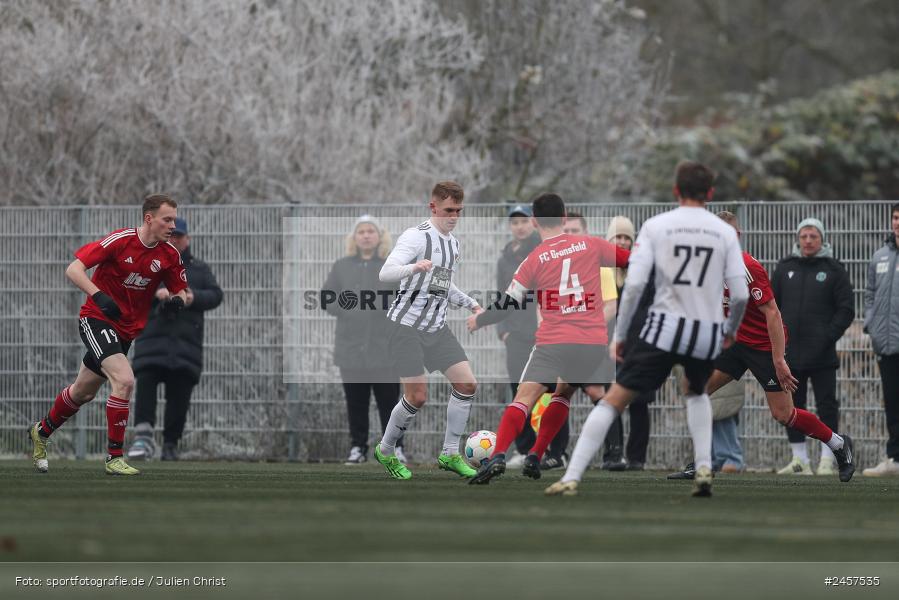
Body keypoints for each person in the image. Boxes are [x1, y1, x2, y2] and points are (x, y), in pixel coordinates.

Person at [545, 161, 748, 498]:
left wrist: (621, 336)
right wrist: (729, 330)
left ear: (675, 190)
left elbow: (635, 286)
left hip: (664, 328)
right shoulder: (725, 232)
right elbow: (739, 293)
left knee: (614, 399)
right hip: (706, 332)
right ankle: (703, 466)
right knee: (696, 390)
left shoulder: (656, 227)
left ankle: (572, 476)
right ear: (710, 193)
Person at [668, 211, 855, 482]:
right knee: (696, 389)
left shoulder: (747, 266)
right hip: (734, 343)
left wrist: (779, 358)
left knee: (784, 415)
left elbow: (773, 314)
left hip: (763, 346)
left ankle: (838, 444)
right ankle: (701, 462)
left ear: (737, 237)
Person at [466, 193, 630, 484]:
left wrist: (480, 319)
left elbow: (509, 302)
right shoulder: (592, 245)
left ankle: (498, 455)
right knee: (563, 393)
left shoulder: (534, 259)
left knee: (523, 399)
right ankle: (535, 456)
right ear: (565, 218)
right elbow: (631, 260)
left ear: (534, 222)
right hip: (592, 344)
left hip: (554, 342)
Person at [28, 194, 188, 475]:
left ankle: (41, 431)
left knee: (83, 392)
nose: (172, 225)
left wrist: (177, 301)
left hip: (126, 331)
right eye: (167, 219)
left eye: (174, 219)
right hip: (97, 319)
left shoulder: (169, 254)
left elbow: (182, 291)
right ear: (149, 219)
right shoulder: (121, 240)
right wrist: (99, 296)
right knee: (125, 380)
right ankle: (114, 457)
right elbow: (74, 269)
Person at [373, 181, 483, 480]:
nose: (454, 216)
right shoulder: (416, 237)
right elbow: (385, 273)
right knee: (418, 396)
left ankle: (449, 453)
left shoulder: (453, 244)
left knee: (467, 384)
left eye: (459, 211)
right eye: (448, 210)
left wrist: (472, 304)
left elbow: (441, 285)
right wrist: (413, 268)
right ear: (433, 207)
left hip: (435, 327)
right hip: (405, 326)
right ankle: (385, 450)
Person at [127, 218, 224, 461]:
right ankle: (143, 438)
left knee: (179, 397)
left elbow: (216, 295)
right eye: (171, 236)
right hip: (152, 341)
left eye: (178, 236)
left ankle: (171, 444)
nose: (174, 240)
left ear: (187, 239)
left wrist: (192, 298)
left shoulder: (200, 270)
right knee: (146, 386)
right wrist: (157, 294)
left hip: (185, 345)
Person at [320, 215, 405, 465]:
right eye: (361, 231)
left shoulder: (392, 265)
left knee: (390, 404)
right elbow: (327, 297)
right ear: (354, 238)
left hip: (385, 349)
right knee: (355, 404)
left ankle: (395, 448)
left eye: (371, 231)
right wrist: (346, 309)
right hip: (351, 349)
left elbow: (404, 299)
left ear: (380, 237)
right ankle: (358, 448)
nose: (366, 235)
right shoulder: (341, 266)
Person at [771, 217, 854, 475]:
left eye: (813, 236)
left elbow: (846, 309)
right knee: (793, 405)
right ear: (798, 238)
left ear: (822, 239)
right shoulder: (785, 268)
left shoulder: (834, 269)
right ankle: (800, 460)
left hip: (823, 354)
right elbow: (772, 308)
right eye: (804, 236)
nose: (808, 241)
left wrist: (827, 336)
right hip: (790, 354)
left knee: (826, 404)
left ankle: (828, 459)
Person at [548, 211, 619, 471]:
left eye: (575, 231)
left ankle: (614, 454)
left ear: (586, 234)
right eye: (567, 231)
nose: (570, 236)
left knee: (597, 392)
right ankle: (557, 453)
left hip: (593, 342)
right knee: (558, 392)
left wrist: (587, 328)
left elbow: (611, 306)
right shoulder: (556, 266)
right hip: (564, 342)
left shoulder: (600, 267)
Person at [495, 204, 541, 469]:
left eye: (524, 221)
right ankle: (524, 449)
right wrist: (503, 330)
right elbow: (502, 295)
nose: (519, 226)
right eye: (515, 222)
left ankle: (551, 449)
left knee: (549, 392)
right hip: (516, 336)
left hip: (542, 333)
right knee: (518, 391)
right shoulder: (505, 258)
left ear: (533, 223)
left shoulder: (541, 251)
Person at [862, 202, 899, 477]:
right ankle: (894, 459)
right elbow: (870, 295)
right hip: (886, 345)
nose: (897, 222)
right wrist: (871, 325)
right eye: (896, 218)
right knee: (893, 402)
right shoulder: (880, 257)